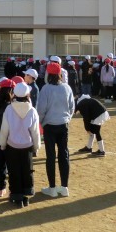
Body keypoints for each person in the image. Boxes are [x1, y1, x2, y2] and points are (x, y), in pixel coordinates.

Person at [0, 82, 41, 207]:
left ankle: (16, 196)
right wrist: (36, 146)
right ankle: (26, 194)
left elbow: (4, 129)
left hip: (12, 145)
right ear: (27, 95)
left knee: (14, 171)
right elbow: (35, 132)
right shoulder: (32, 110)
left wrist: (2, 144)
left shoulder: (9, 109)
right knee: (27, 170)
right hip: (27, 146)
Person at [38, 62, 75, 199]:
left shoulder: (46, 89)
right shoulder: (67, 87)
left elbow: (41, 109)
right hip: (63, 124)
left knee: (51, 156)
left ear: (48, 74)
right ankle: (64, 187)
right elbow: (72, 107)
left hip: (49, 125)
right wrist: (67, 119)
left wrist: (41, 122)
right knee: (64, 154)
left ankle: (52, 188)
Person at [0, 78, 14, 197]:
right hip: (10, 139)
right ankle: (12, 188)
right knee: (12, 164)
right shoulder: (11, 107)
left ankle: (0, 188)